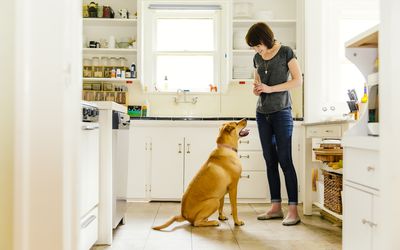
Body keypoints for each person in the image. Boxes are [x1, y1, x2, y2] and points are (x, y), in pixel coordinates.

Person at [245, 22, 303, 226]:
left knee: (285, 160)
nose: (256, 49)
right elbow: (257, 81)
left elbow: (297, 81)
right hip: (262, 113)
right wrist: (258, 89)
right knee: (270, 160)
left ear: (265, 38)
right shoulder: (257, 57)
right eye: (253, 47)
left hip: (282, 112)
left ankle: (293, 210)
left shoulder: (286, 51)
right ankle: (276, 207)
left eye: (257, 45)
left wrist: (270, 89)